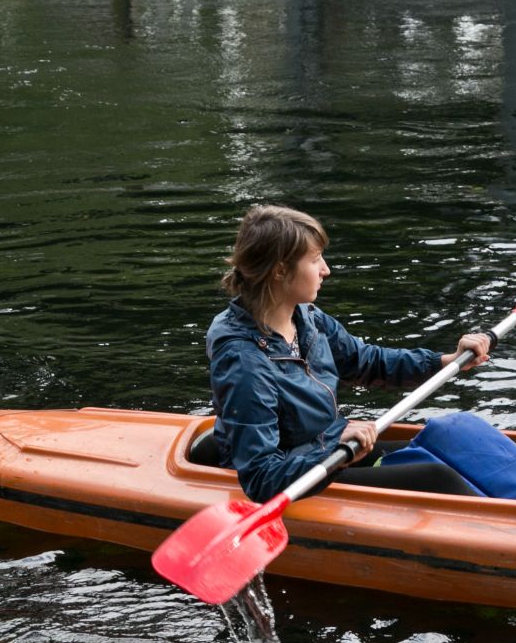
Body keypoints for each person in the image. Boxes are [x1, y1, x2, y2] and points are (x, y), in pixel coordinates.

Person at [206, 205, 493, 502]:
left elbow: (367, 362)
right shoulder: (243, 359)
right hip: (299, 472)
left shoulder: (307, 318)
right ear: (280, 270)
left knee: (454, 444)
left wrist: (444, 361)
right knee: (437, 477)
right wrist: (331, 450)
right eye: (315, 259)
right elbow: (262, 477)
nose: (325, 269)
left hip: (331, 450)